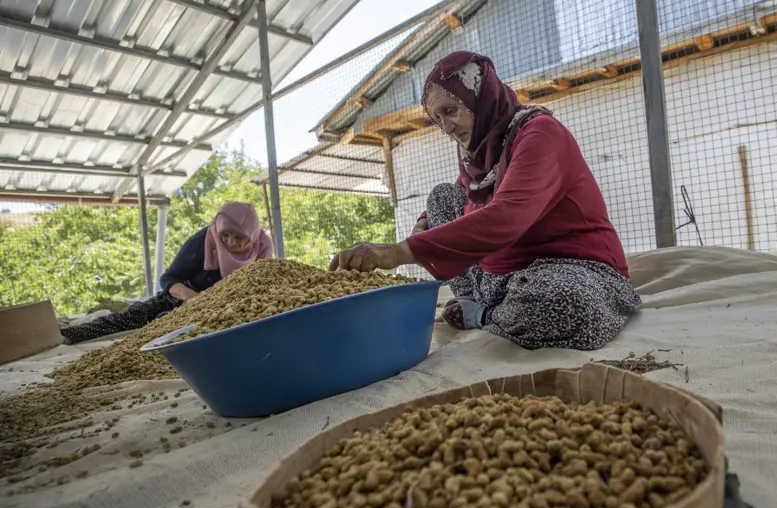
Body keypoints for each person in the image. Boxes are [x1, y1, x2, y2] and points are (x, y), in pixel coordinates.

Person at [329, 51, 640, 351]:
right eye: (438, 119)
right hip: (501, 277)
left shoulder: (540, 134)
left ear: (483, 96)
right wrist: (426, 220)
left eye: (451, 111)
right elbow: (463, 189)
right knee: (442, 196)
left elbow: (505, 217)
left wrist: (397, 252)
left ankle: (484, 315)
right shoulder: (479, 150)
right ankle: (476, 299)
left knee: (567, 303)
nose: (446, 128)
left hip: (573, 269)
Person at [60, 201, 273, 345]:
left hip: (232, 310)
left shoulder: (262, 247)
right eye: (225, 235)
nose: (230, 242)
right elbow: (168, 278)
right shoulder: (202, 242)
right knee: (136, 318)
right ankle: (66, 335)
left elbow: (264, 281)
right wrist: (192, 298)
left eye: (239, 238)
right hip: (182, 302)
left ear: (251, 236)